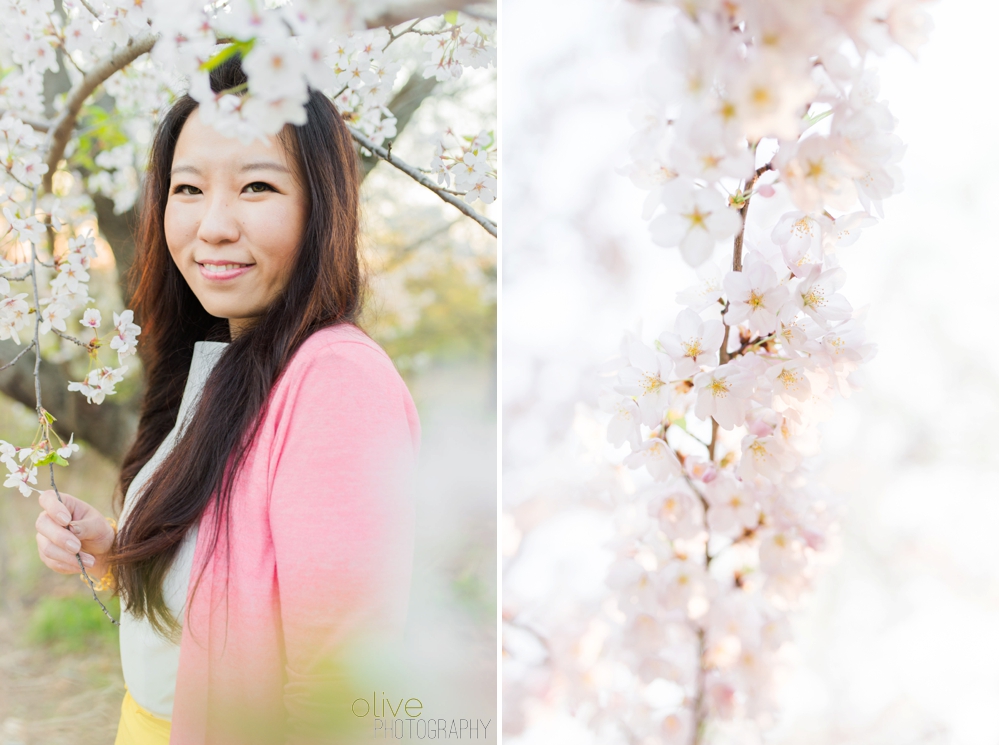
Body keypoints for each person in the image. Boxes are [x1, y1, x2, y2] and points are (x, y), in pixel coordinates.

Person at [32, 55, 419, 745]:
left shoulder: (334, 380)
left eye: (257, 186)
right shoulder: (219, 365)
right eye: (187, 188)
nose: (211, 225)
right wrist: (119, 553)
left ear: (321, 206)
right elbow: (227, 600)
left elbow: (337, 688)